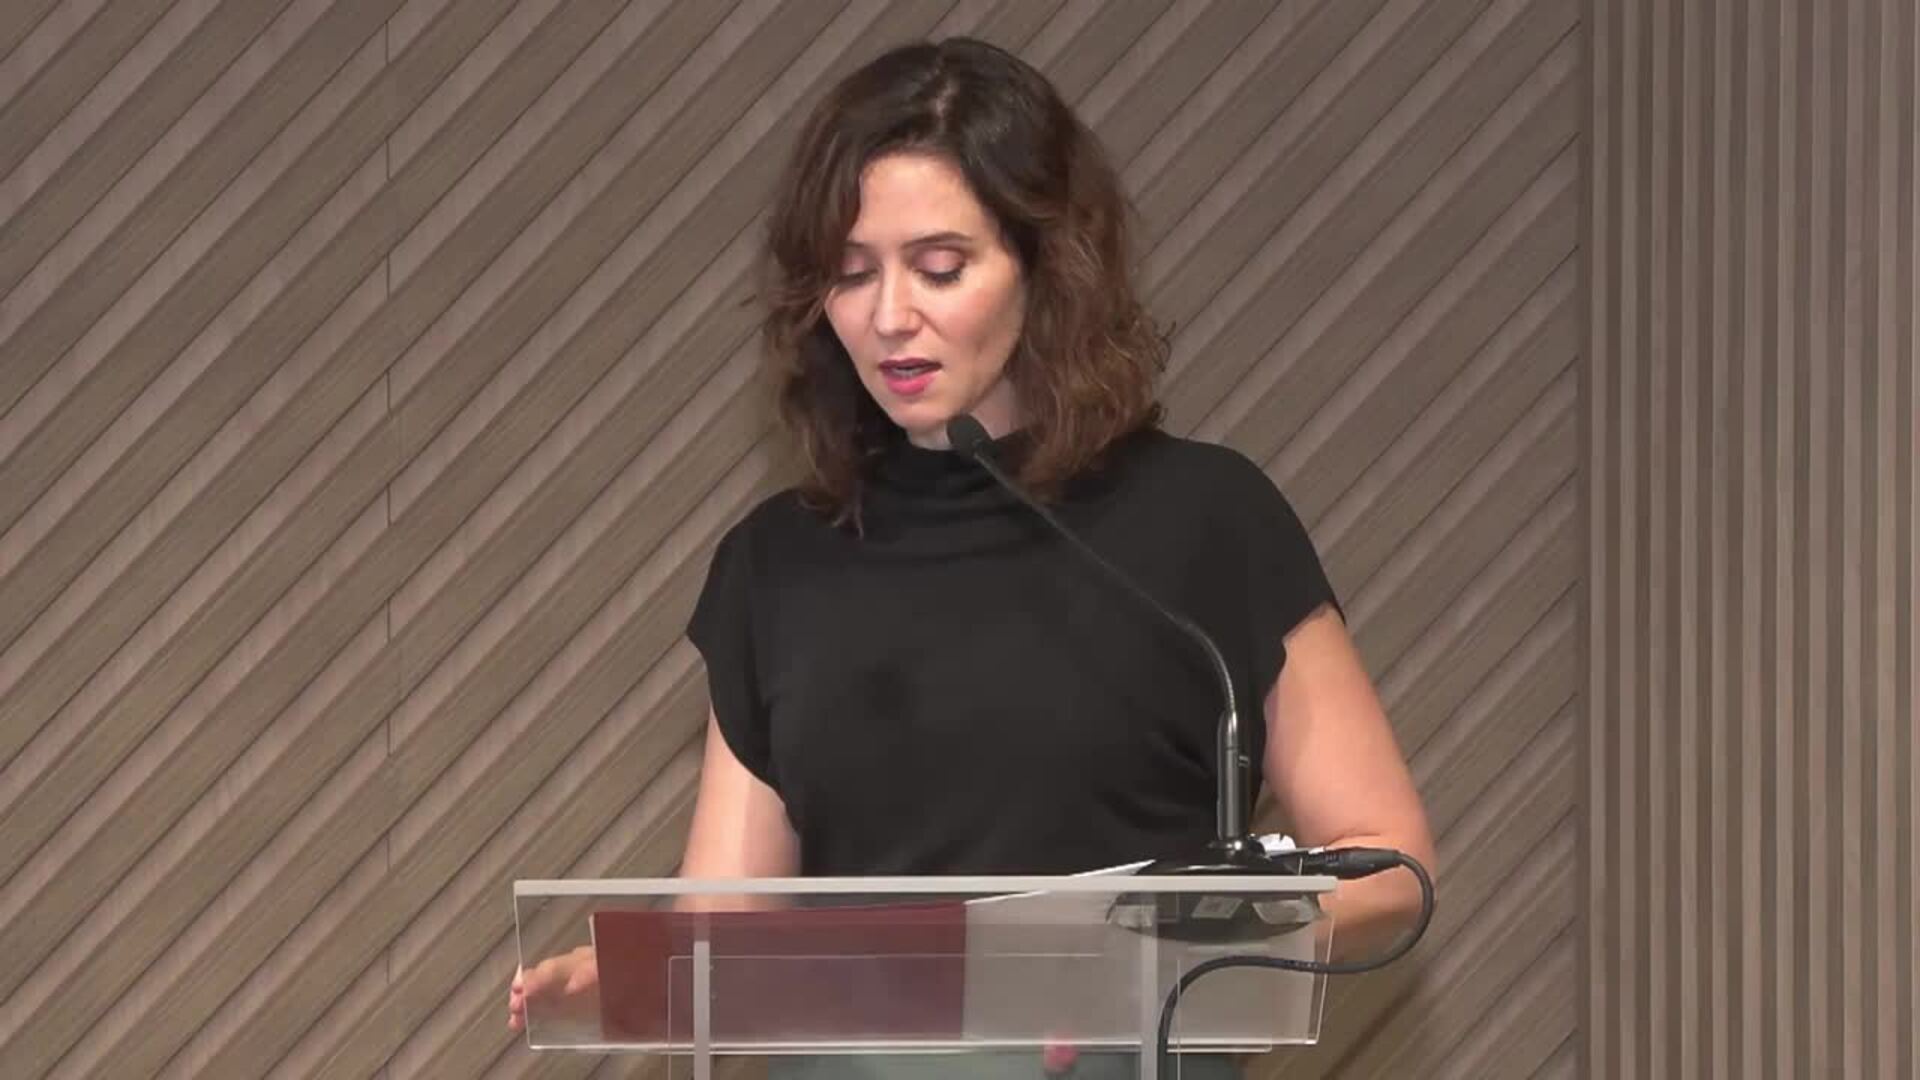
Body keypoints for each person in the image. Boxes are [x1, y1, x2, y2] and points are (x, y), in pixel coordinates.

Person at [510, 35, 1435, 1076]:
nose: (889, 316)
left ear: (1045, 265)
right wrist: (634, 983)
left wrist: (1159, 954)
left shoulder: (1207, 521)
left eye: (940, 269)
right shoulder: (779, 565)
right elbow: (729, 934)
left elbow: (1388, 868)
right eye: (850, 274)